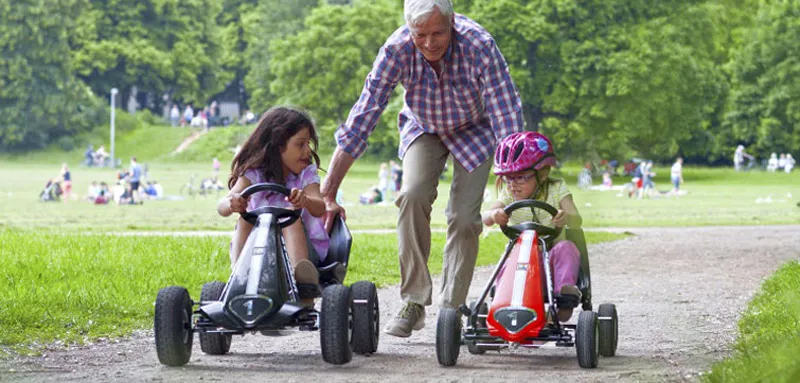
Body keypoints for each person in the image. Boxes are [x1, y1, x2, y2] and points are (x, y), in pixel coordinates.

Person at [320, 0, 524, 337]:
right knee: (411, 195)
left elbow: (506, 115)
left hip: (476, 128)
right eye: (420, 34)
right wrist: (328, 192)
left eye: (437, 33)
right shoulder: (396, 49)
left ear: (452, 22)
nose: (429, 43)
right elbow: (363, 117)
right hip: (424, 127)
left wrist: (515, 177)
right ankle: (414, 302)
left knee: (464, 217)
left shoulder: (479, 45)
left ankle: (451, 310)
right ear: (409, 30)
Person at [217, 107, 328, 305]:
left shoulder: (306, 175)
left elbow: (320, 207)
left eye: (308, 144)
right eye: (300, 144)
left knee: (289, 218)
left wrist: (305, 200)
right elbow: (222, 206)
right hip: (260, 253)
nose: (307, 151)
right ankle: (239, 278)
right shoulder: (254, 173)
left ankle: (302, 284)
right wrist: (233, 202)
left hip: (304, 252)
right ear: (277, 145)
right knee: (245, 220)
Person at [481, 132, 582, 323]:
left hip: (551, 262)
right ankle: (498, 307)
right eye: (508, 178)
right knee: (510, 258)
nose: (513, 185)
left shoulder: (556, 188)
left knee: (566, 247)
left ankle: (564, 297)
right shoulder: (508, 194)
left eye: (521, 178)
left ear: (542, 173)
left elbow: (577, 220)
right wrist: (494, 215)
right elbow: (485, 218)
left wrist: (566, 216)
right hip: (522, 260)